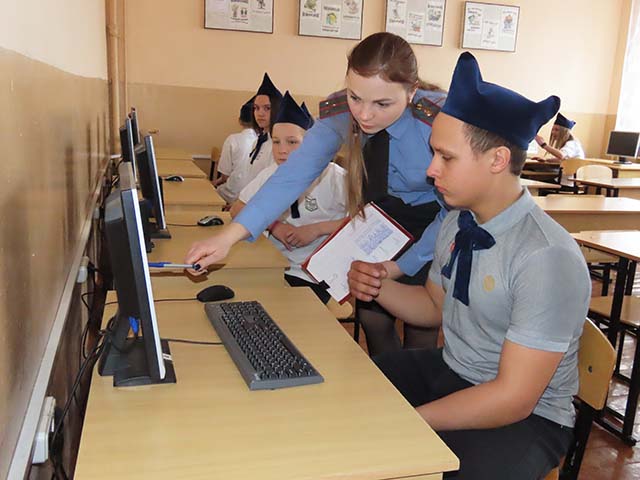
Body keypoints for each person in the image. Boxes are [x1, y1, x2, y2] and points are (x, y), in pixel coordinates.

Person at [347, 52, 590, 479]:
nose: (430, 170)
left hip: (527, 415)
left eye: (446, 157)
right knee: (356, 393)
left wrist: (414, 420)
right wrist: (378, 285)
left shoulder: (545, 257)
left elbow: (513, 398)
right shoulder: (458, 221)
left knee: (429, 466)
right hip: (457, 368)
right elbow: (433, 307)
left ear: (497, 160)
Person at [186, 32, 447, 356]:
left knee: (421, 325)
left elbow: (454, 210)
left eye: (382, 104)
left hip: (436, 222)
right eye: (355, 97)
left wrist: (401, 266)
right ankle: (389, 383)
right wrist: (227, 238)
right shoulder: (341, 112)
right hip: (380, 219)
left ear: (412, 91)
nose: (364, 114)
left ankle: (413, 385)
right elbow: (291, 177)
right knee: (372, 317)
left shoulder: (437, 120)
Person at [231, 91, 347, 304]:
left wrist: (316, 229)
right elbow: (237, 208)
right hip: (274, 263)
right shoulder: (272, 173)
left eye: (292, 142)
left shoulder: (335, 178)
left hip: (313, 272)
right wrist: (275, 226)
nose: (282, 150)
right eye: (276, 142)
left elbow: (363, 220)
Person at [217, 73, 283, 205]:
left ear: (277, 109)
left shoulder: (277, 146)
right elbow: (249, 180)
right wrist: (238, 201)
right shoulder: (258, 141)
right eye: (256, 108)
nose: (260, 113)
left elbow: (269, 187)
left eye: (267, 108)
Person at [214, 97, 258, 202]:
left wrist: (215, 182)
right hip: (252, 197)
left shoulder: (232, 139)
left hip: (232, 195)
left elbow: (225, 176)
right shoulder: (263, 142)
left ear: (240, 121)